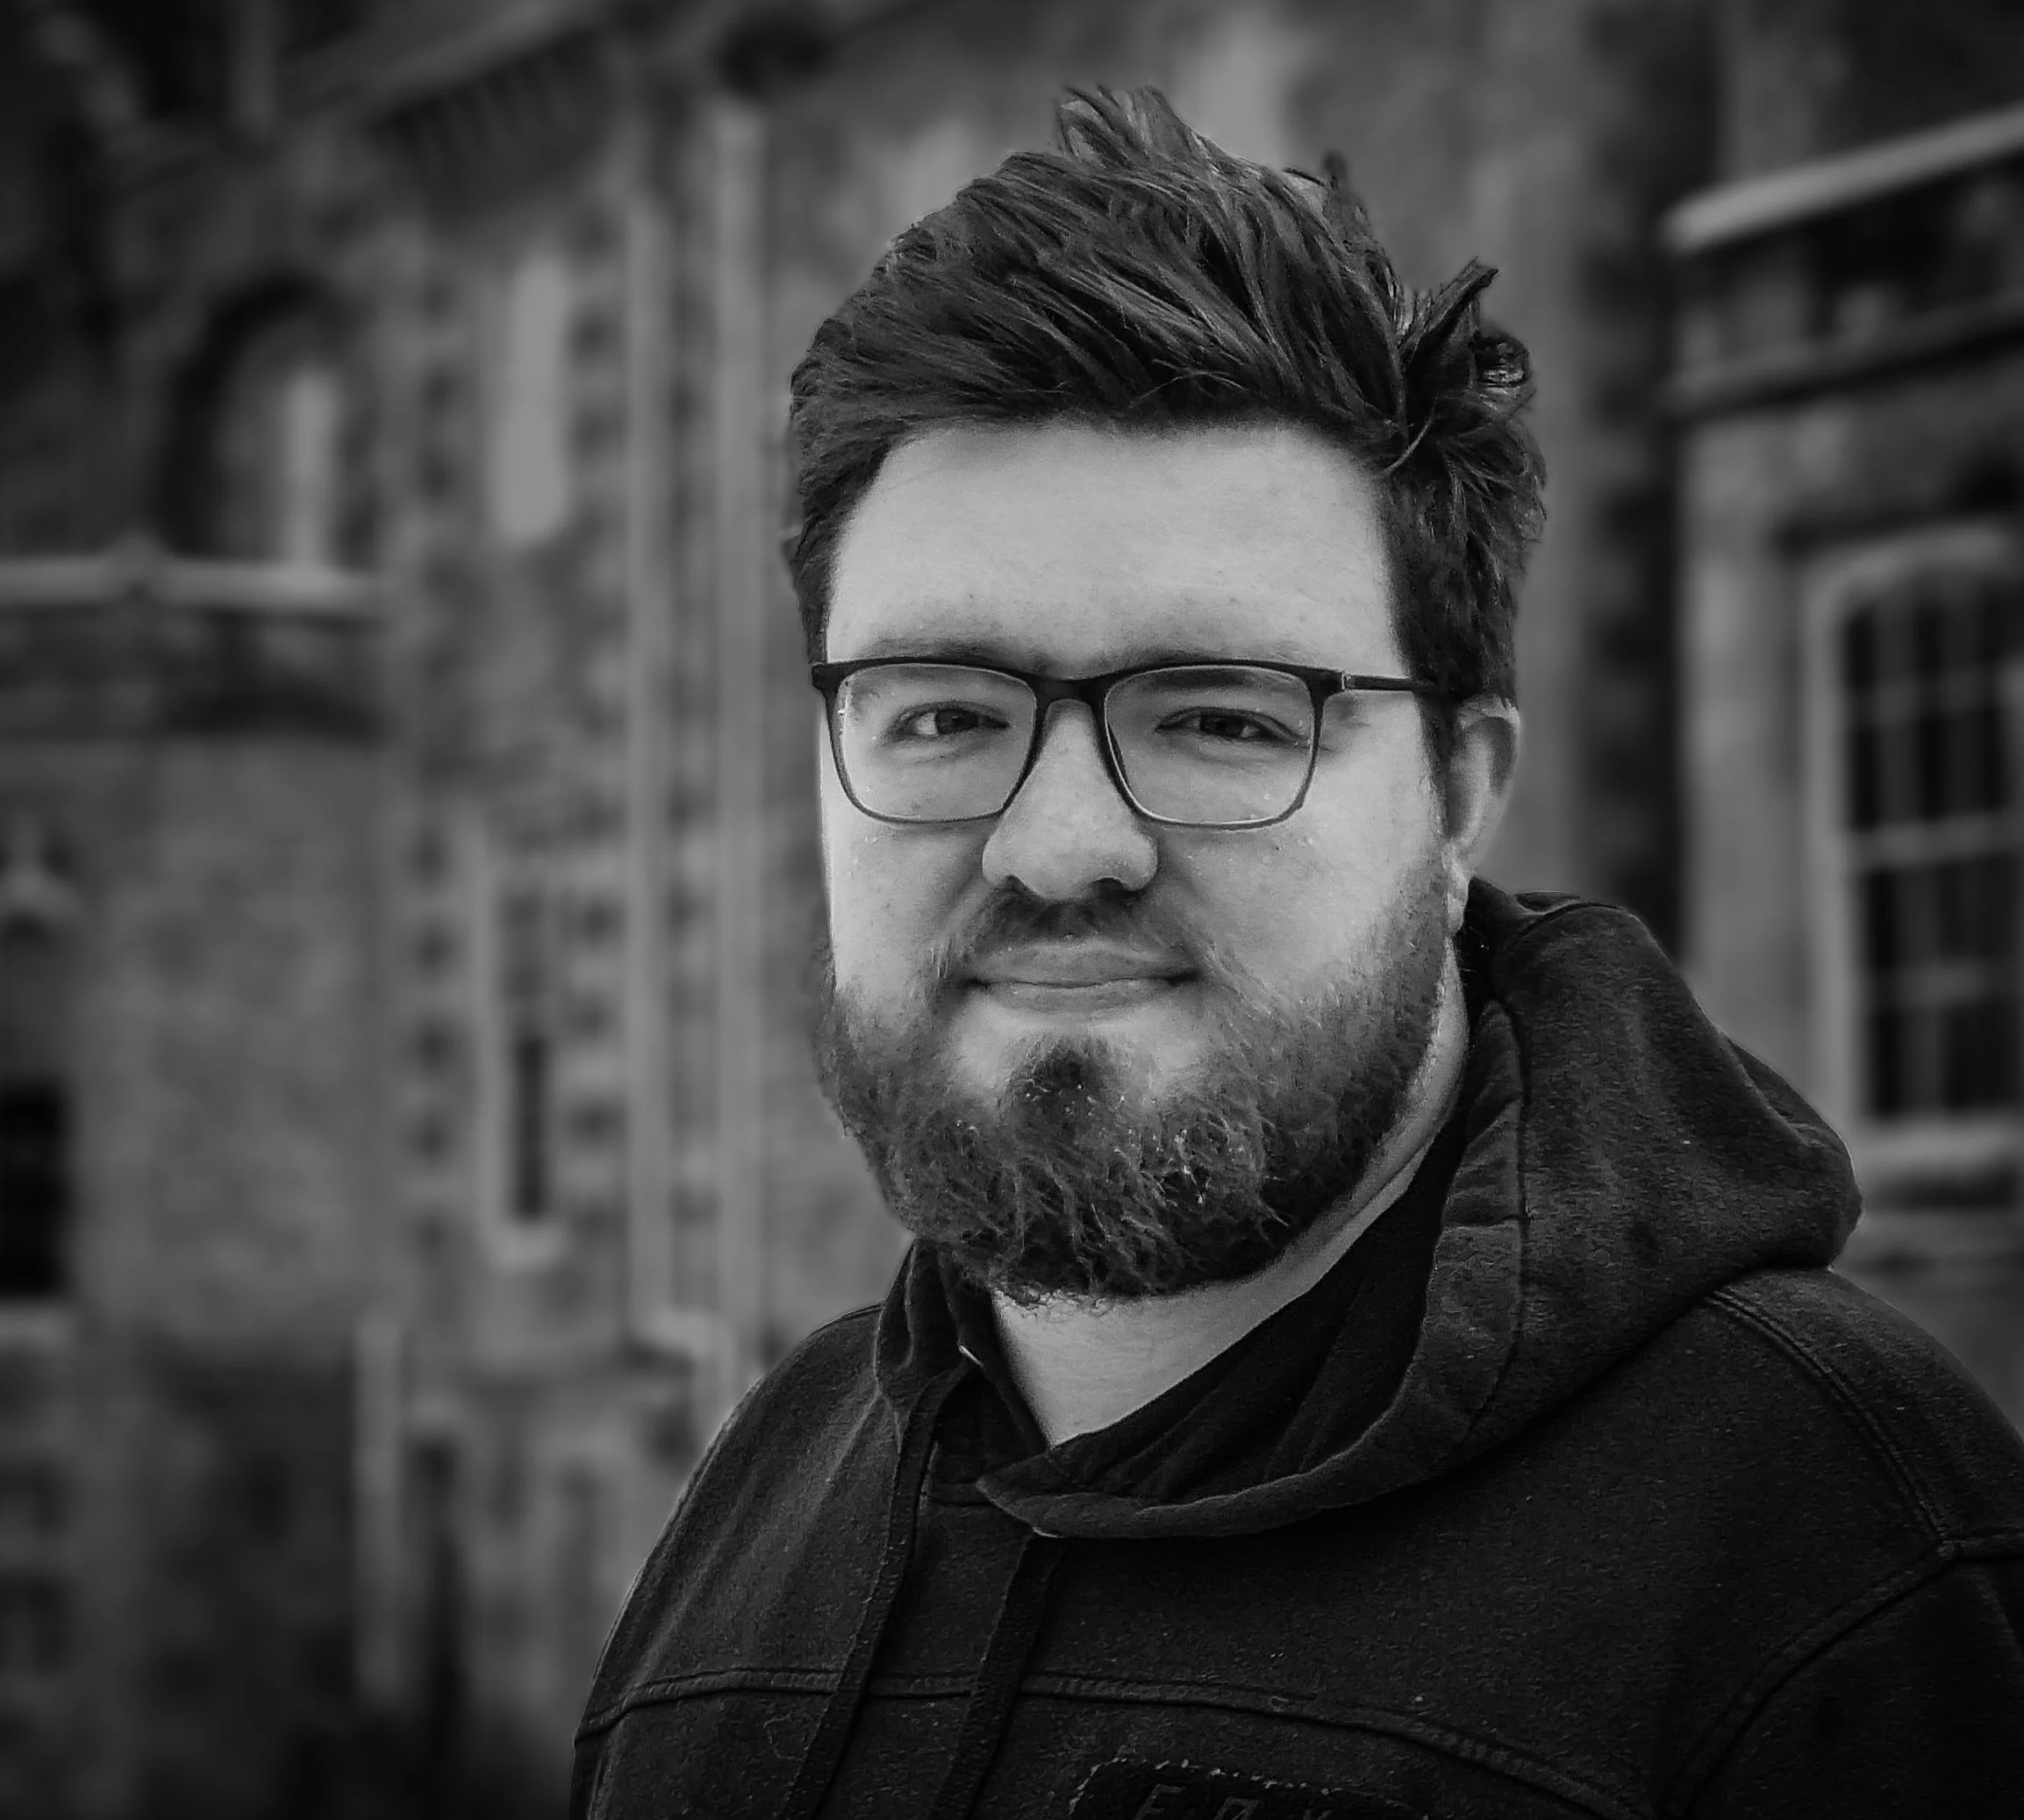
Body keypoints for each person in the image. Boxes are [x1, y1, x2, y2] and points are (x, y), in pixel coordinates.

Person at [572, 89, 2024, 1819]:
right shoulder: (769, 1479)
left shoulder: (1834, 1552)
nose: (1057, 843)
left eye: (1219, 718)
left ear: (1458, 792)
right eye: (942, 713)